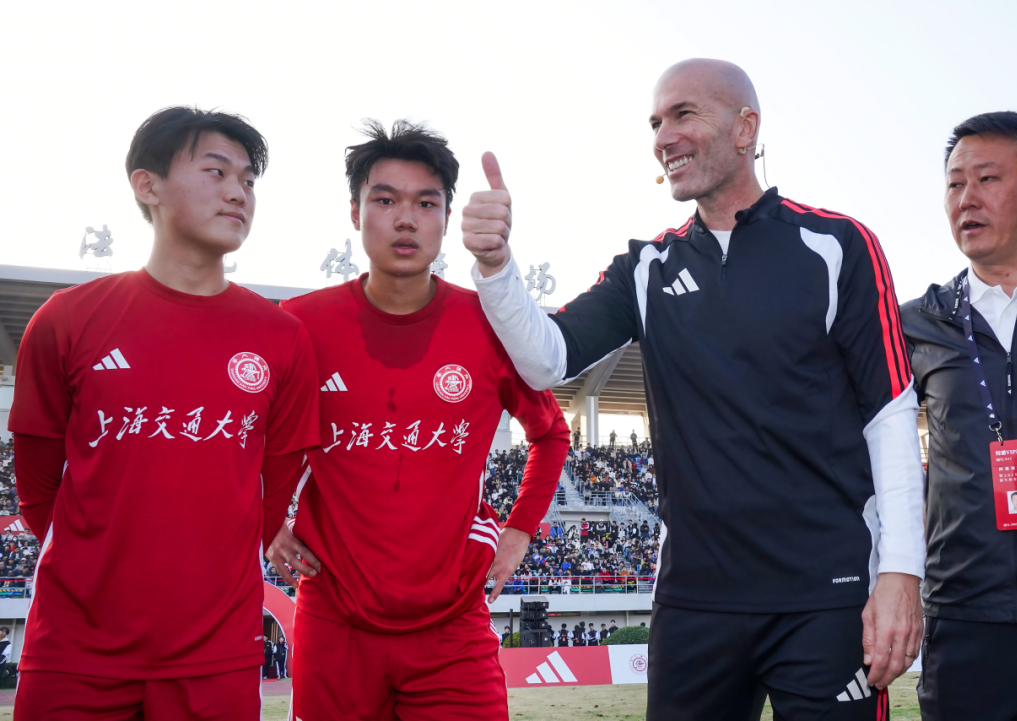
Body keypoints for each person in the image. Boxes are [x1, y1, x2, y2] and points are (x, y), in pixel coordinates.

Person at [463, 58, 925, 719]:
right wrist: (496, 267)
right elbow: (546, 359)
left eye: (684, 115)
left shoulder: (837, 245)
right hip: (695, 601)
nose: (663, 137)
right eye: (655, 122)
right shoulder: (647, 266)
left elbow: (890, 412)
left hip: (827, 593)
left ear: (745, 129)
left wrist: (900, 571)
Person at [9, 107, 320, 720]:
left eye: (248, 180)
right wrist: (98, 574)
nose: (238, 192)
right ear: (147, 185)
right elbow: (37, 488)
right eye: (216, 172)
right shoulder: (67, 319)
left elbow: (276, 485)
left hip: (216, 655)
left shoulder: (281, 337)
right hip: (75, 649)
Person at [263, 120, 569, 720]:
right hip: (335, 619)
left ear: (447, 218)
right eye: (385, 200)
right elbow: (252, 433)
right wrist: (266, 522)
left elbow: (551, 432)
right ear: (355, 213)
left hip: (452, 624)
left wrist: (519, 531)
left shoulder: (489, 323)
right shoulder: (299, 323)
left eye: (426, 203)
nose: (406, 220)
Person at [902, 112, 1017, 721]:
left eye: (987, 179)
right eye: (955, 184)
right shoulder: (917, 323)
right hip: (964, 623)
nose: (966, 199)